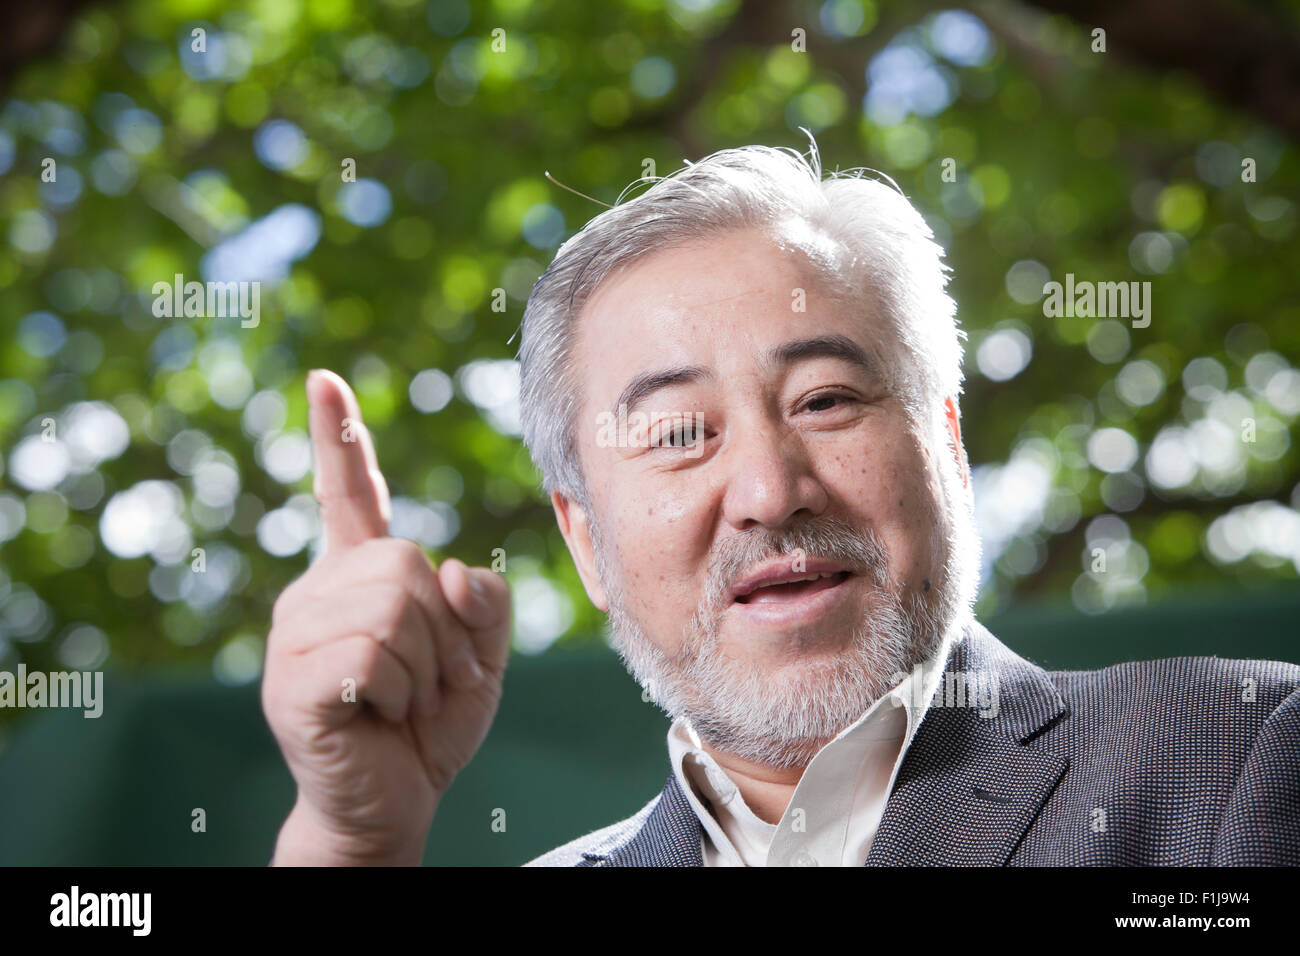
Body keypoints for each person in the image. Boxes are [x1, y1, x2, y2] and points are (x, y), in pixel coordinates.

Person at [263, 140, 1300, 866]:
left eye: (825, 399)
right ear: (583, 538)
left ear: (944, 441)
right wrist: (349, 844)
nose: (769, 491)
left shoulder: (1242, 753)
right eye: (677, 433)